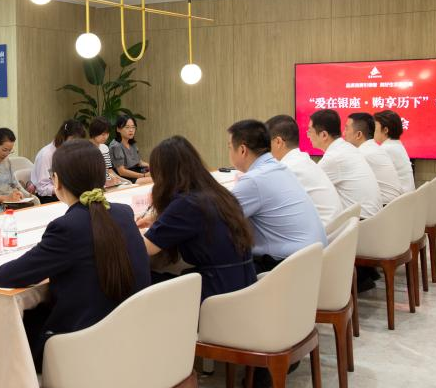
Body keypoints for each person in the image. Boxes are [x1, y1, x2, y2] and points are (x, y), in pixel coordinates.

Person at [0, 140, 150, 369]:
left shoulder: (67, 228)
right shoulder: (123, 214)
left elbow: (5, 276)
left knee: (14, 324)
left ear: (56, 180)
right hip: (128, 336)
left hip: (81, 347)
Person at [137, 135, 256, 302]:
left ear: (163, 173)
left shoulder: (186, 204)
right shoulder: (219, 194)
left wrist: (128, 229)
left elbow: (145, 248)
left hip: (218, 293)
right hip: (245, 284)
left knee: (139, 281)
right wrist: (158, 220)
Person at [227, 120, 326, 273]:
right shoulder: (280, 168)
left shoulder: (254, 180)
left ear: (242, 150)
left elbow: (220, 218)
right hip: (313, 259)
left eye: (229, 147)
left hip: (288, 268)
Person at [266, 115, 343, 227]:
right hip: (334, 228)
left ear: (278, 142)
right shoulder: (301, 159)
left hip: (324, 233)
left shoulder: (288, 168)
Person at [308, 110, 382, 219]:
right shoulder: (346, 148)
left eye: (310, 131)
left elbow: (307, 191)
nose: (308, 135)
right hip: (372, 220)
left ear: (324, 135)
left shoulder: (334, 157)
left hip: (361, 223)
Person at [344, 112, 403, 206]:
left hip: (385, 208)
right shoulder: (373, 148)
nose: (344, 133)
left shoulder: (363, 153)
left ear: (358, 134)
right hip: (393, 206)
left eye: (346, 128)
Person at [29, 119, 86, 203]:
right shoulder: (46, 154)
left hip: (65, 193)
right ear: (63, 137)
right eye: (73, 140)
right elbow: (42, 188)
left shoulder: (71, 151)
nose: (75, 144)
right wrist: (66, 190)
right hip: (48, 196)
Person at [374, 110, 415, 193]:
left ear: (385, 130)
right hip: (407, 195)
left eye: (374, 127)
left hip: (398, 198)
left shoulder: (385, 149)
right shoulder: (396, 145)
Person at [108, 115, 152, 184]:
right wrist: (143, 175)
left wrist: (153, 167)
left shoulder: (131, 143)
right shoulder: (116, 146)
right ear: (118, 129)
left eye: (133, 127)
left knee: (163, 173)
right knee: (158, 179)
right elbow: (121, 171)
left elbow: (139, 162)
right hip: (126, 177)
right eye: (127, 127)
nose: (131, 130)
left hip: (137, 171)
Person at [88, 117, 126, 187]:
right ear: (94, 132)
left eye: (107, 134)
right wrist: (106, 183)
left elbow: (109, 170)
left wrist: (121, 180)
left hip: (110, 184)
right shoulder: (85, 149)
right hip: (97, 186)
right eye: (103, 134)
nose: (106, 137)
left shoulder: (104, 148)